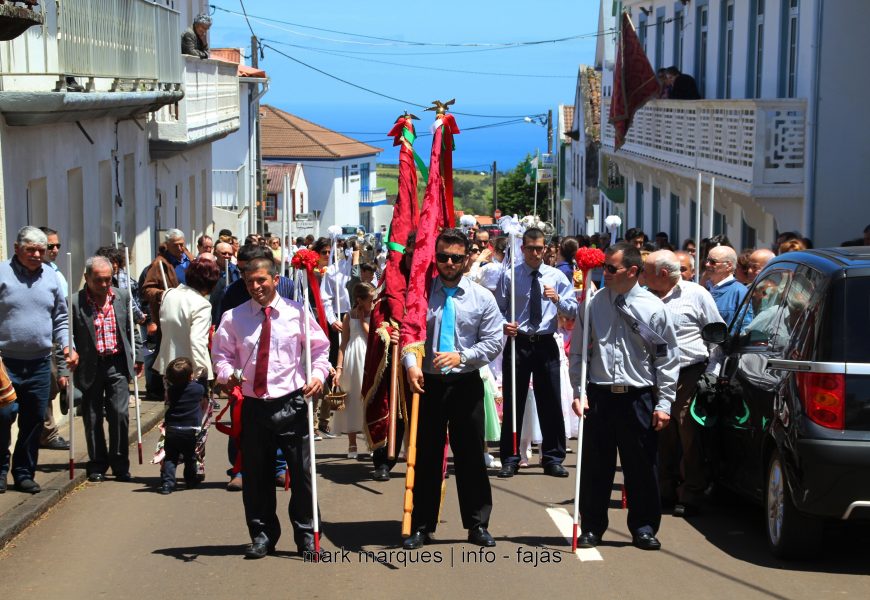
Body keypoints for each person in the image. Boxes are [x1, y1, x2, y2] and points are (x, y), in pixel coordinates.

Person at [212, 257, 330, 559]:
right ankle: (262, 535)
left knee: (302, 476)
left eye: (261, 280)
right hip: (253, 405)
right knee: (256, 476)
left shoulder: (297, 314)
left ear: (275, 280)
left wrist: (318, 376)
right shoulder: (233, 318)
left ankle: (306, 536)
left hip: (292, 401)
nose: (256, 287)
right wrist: (227, 375)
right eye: (250, 281)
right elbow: (221, 357)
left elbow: (320, 350)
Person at [569, 242, 680, 551]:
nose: (605, 273)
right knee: (596, 467)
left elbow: (667, 358)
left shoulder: (654, 308)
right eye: (604, 267)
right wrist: (580, 393)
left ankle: (643, 527)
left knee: (642, 466)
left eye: (611, 269)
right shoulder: (592, 304)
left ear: (632, 271)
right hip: (601, 396)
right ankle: (592, 526)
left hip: (638, 396)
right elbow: (578, 352)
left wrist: (664, 403)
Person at [401, 228, 503, 550]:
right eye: (443, 256)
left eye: (455, 257)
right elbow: (408, 335)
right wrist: (410, 365)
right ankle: (421, 525)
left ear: (466, 258)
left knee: (471, 457)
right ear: (435, 256)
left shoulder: (481, 297)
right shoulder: (419, 295)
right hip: (427, 384)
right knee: (428, 458)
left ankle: (477, 524)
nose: (448, 262)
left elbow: (494, 341)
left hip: (465, 384)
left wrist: (463, 356)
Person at [642, 250, 723, 517]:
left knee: (689, 435)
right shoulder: (642, 295)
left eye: (646, 271)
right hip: (652, 375)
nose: (642, 276)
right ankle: (664, 489)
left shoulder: (697, 294)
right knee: (661, 434)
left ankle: (691, 493)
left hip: (689, 374)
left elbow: (717, 335)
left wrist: (712, 372)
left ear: (663, 274)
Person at [0, 226, 77, 494]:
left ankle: (23, 473)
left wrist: (68, 346)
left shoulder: (52, 278)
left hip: (40, 363)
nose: (36, 254)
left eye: (40, 250)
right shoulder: (2, 273)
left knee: (33, 421)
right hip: (5, 362)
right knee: (3, 415)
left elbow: (61, 318)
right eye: (30, 249)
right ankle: (0, 470)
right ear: (16, 248)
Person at [496, 228, 578, 479]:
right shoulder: (510, 275)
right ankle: (510, 458)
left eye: (539, 248)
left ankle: (553, 457)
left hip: (545, 343)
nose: (535, 252)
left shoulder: (556, 277)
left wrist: (557, 300)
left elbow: (573, 310)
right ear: (522, 249)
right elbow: (497, 309)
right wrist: (503, 324)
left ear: (546, 249)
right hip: (518, 342)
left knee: (550, 400)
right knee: (514, 400)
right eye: (530, 248)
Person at [70, 256, 143, 482]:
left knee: (119, 414)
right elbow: (65, 335)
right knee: (92, 417)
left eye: (107, 280)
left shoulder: (121, 297)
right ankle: (97, 464)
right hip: (89, 366)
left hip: (117, 363)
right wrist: (68, 359)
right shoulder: (74, 302)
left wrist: (138, 354)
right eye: (98, 280)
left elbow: (132, 328)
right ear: (86, 278)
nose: (104, 285)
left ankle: (120, 463)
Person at [154, 256, 219, 481]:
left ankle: (167, 463)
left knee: (172, 418)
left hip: (169, 368)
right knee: (197, 422)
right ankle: (196, 465)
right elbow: (198, 341)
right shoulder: (201, 304)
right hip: (192, 371)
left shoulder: (168, 295)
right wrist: (204, 376)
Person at [37, 226, 71, 451]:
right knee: (47, 385)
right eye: (51, 246)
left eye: (58, 245)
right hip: (44, 338)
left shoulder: (55, 270)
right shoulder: (39, 272)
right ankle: (48, 432)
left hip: (60, 334)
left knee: (60, 382)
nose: (55, 249)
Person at [333, 283, 374, 458]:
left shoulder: (375, 315)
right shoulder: (348, 317)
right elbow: (343, 344)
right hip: (352, 357)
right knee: (352, 399)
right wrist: (339, 368)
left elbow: (373, 336)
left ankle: (373, 440)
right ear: (360, 300)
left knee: (371, 399)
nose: (373, 303)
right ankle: (352, 443)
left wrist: (365, 320)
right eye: (370, 300)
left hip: (371, 356)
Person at [160, 357, 206, 494]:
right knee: (189, 457)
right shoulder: (197, 389)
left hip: (172, 429)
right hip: (189, 430)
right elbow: (202, 389)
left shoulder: (172, 391)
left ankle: (168, 484)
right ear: (191, 375)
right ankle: (190, 480)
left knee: (170, 457)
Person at [704, 245, 750, 328]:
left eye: (713, 262)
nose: (707, 264)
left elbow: (745, 327)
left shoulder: (740, 292)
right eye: (707, 260)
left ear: (728, 265)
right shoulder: (703, 288)